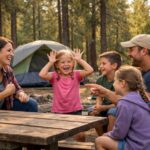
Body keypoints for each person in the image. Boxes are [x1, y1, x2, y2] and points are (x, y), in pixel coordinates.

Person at [86, 65, 150, 150]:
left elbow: (120, 133)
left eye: (115, 81)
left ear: (123, 83)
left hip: (136, 146)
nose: (113, 84)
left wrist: (108, 134)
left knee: (99, 141)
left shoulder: (125, 103)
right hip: (145, 144)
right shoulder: (139, 98)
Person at [39, 48, 93, 141]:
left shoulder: (76, 75)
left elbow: (90, 70)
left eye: (69, 61)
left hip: (75, 110)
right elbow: (42, 74)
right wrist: (50, 62)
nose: (66, 64)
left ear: (73, 63)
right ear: (57, 65)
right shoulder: (54, 76)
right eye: (62, 62)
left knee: (80, 135)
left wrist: (79, 60)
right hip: (58, 111)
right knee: (58, 137)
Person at [0, 36, 38, 112]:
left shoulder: (8, 70)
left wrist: (21, 94)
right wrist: (5, 93)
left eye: (12, 51)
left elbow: (17, 88)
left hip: (5, 106)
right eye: (9, 50)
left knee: (32, 104)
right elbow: (8, 91)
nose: (12, 54)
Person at [88, 51, 122, 132]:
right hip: (103, 107)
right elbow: (99, 96)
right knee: (90, 111)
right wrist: (98, 106)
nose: (100, 66)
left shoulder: (121, 80)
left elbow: (121, 102)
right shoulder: (100, 79)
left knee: (112, 113)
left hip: (116, 107)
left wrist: (104, 108)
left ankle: (110, 137)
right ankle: (102, 136)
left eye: (104, 64)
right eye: (100, 64)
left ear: (114, 65)